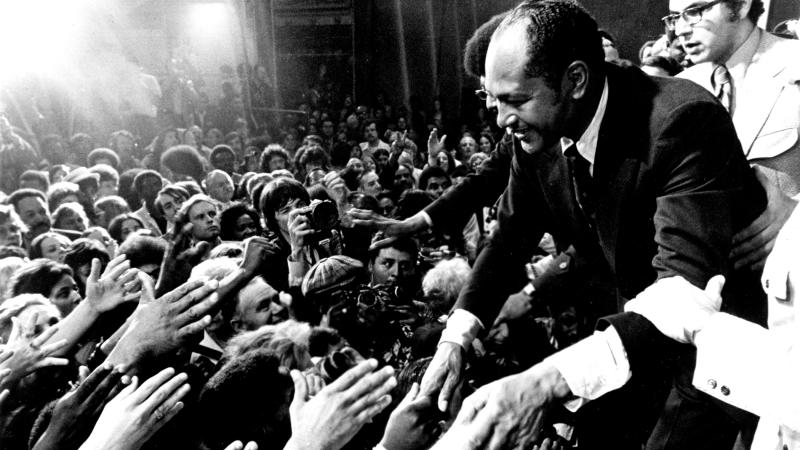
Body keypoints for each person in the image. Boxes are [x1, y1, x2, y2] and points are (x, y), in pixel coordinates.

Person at [422, 1, 767, 449]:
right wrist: (456, 338)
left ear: (576, 80)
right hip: (633, 334)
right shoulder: (536, 134)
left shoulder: (680, 121)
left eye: (516, 100)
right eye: (494, 100)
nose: (502, 121)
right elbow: (509, 238)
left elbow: (685, 291)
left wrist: (546, 382)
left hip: (713, 348)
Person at [670, 0, 800, 271]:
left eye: (695, 12)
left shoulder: (794, 63)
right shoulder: (678, 89)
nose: (681, 29)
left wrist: (796, 220)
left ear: (740, 7)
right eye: (674, 17)